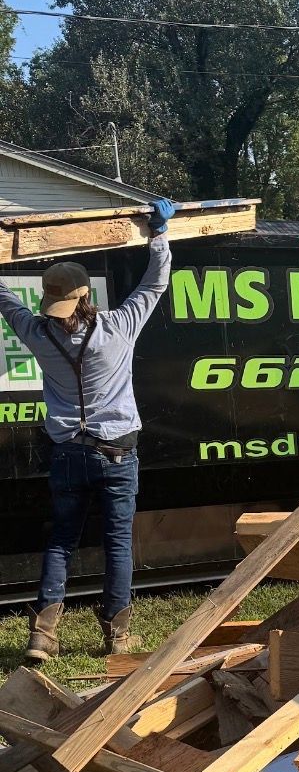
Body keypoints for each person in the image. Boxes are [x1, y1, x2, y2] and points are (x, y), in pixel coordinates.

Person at [0, 196, 177, 663]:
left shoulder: (36, 334)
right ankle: (117, 637)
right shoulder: (118, 328)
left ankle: (43, 636)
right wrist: (159, 234)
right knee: (118, 544)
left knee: (61, 538)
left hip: (67, 455)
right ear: (85, 297)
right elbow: (155, 284)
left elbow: (5, 298)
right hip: (118, 452)